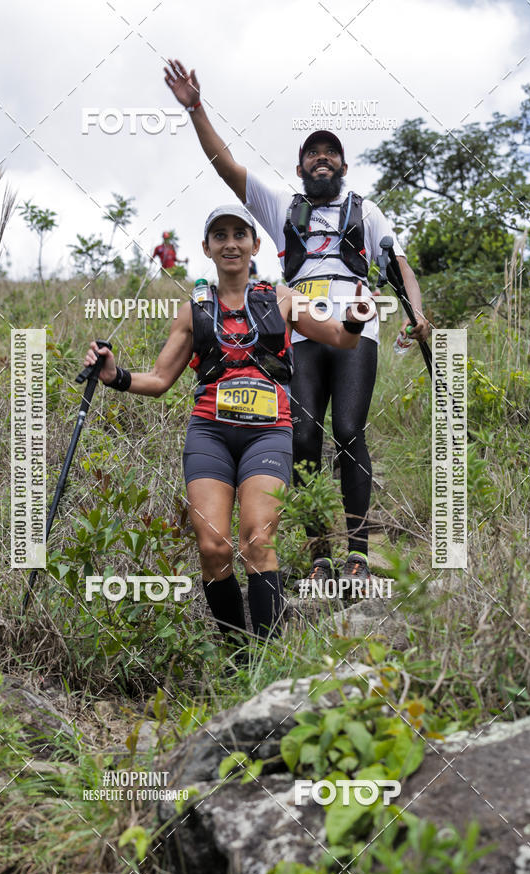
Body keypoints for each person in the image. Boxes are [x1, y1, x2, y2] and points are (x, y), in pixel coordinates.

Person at [163, 59, 431, 588]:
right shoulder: (283, 206)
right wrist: (196, 108)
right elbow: (225, 164)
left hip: (356, 332)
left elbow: (397, 264)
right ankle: (317, 551)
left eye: (330, 152)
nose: (322, 158)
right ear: (301, 165)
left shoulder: (366, 210)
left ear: (344, 166)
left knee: (349, 431)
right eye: (313, 153)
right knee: (304, 435)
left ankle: (357, 551)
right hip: (301, 332)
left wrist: (417, 312)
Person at [83, 205, 376, 642]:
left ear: (256, 245)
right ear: (207, 248)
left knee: (257, 540)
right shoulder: (194, 310)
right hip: (210, 435)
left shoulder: (282, 299)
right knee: (213, 547)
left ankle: (268, 658)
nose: (231, 242)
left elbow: (341, 337)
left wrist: (354, 316)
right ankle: (239, 656)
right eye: (220, 235)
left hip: (269, 434)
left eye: (240, 234)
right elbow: (161, 379)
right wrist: (114, 375)